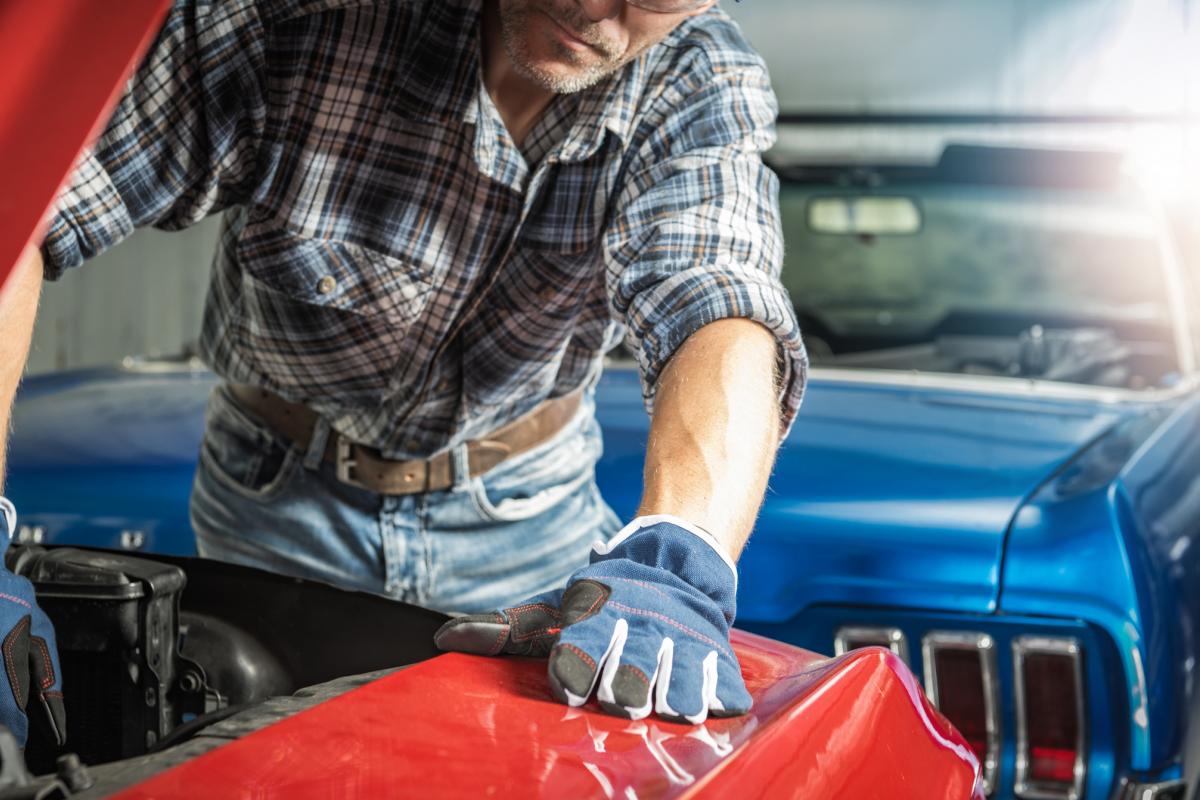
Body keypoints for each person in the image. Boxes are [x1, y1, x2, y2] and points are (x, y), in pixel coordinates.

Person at [1, 0, 805, 726]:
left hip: (531, 520)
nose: (593, 4)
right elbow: (21, 204)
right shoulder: (297, 19)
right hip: (276, 505)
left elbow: (717, 292)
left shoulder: (697, 78)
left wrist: (682, 551)